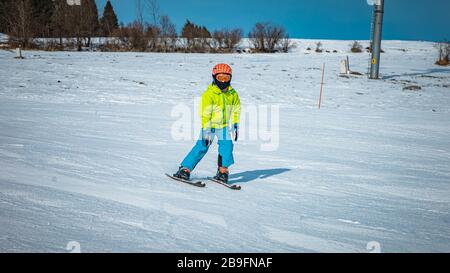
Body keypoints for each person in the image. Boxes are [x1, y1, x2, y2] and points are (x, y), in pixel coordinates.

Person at [173, 63, 241, 184]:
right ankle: (185, 169)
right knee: (202, 146)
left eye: (227, 78)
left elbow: (236, 109)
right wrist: (207, 129)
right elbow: (205, 113)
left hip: (224, 126)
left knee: (227, 147)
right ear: (215, 77)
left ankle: (223, 172)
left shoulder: (232, 94)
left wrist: (235, 124)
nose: (224, 81)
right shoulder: (209, 94)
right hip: (209, 126)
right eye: (221, 78)